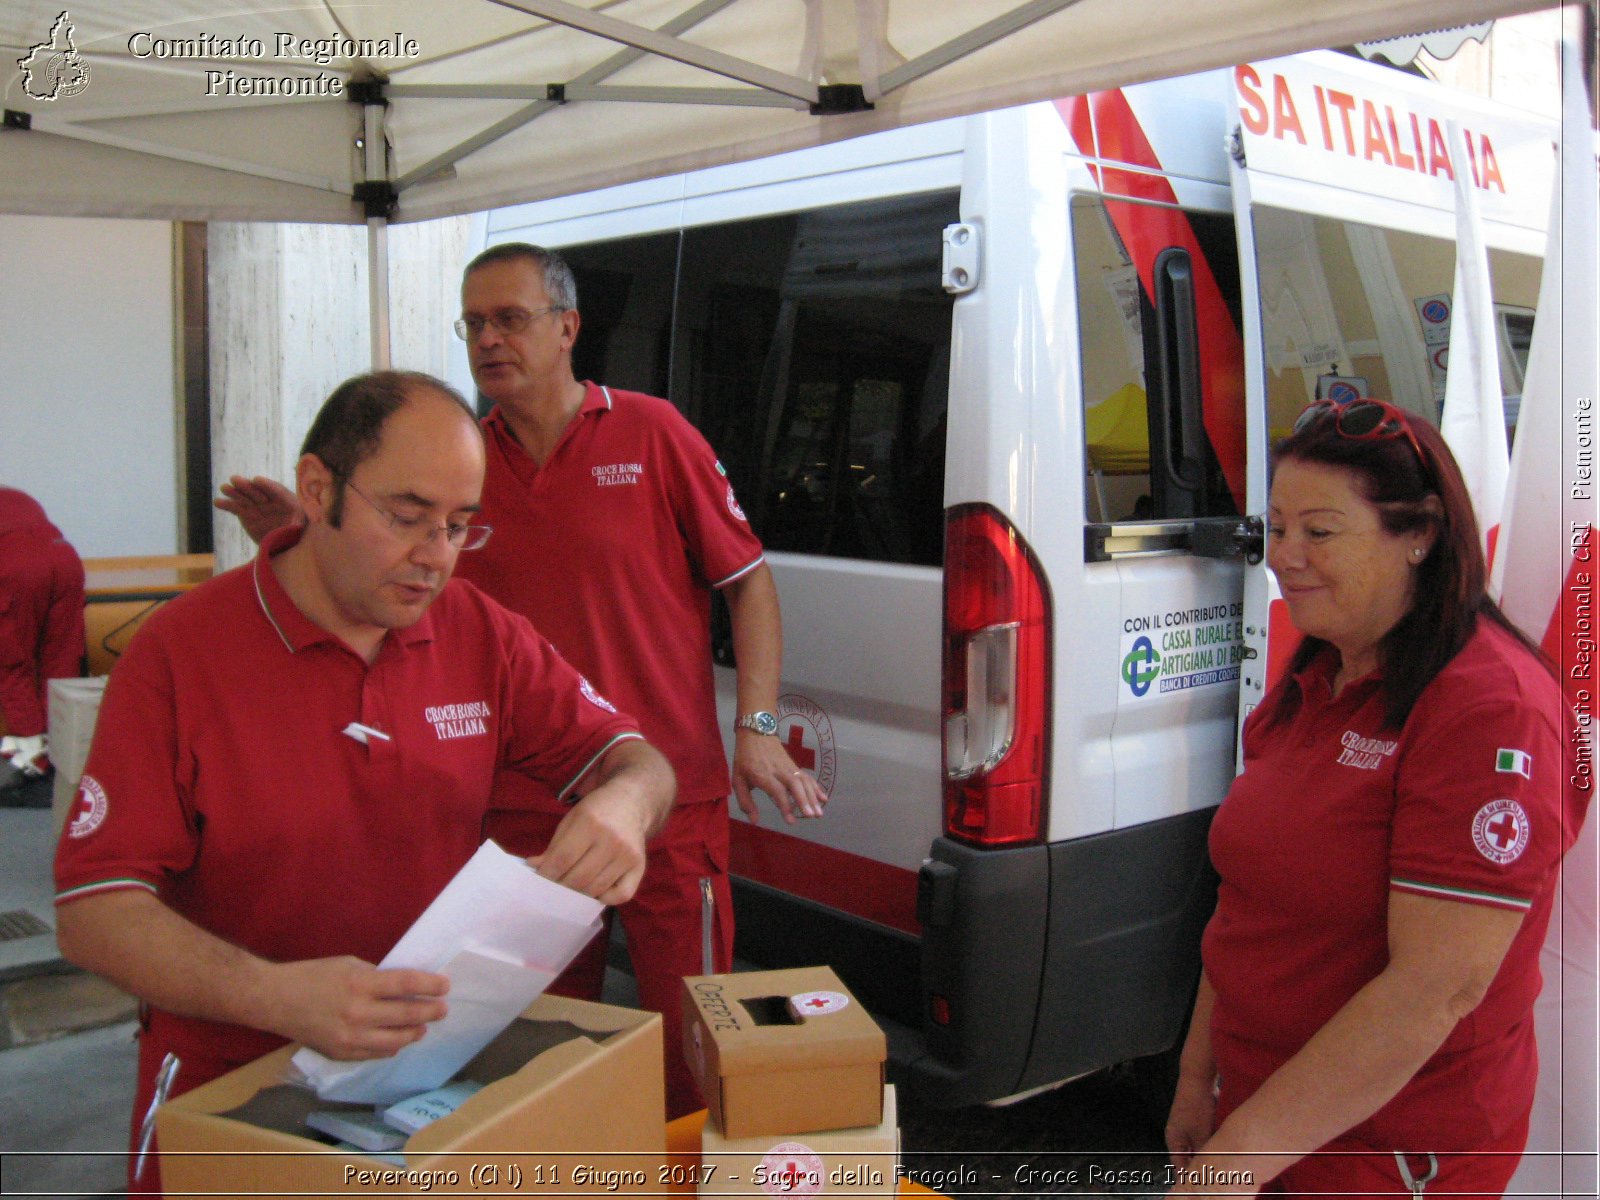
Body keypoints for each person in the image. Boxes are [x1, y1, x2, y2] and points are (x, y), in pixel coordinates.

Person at [218, 243, 827, 1117]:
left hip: (666, 798)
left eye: (510, 318)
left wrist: (758, 729)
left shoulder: (652, 435)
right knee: (533, 1041)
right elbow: (399, 606)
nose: (488, 340)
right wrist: (315, 543)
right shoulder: (457, 466)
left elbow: (749, 579)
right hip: (518, 810)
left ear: (568, 327)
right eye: (473, 323)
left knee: (695, 1035)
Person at [56, 371, 675, 1194]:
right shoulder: (180, 654)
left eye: (460, 527)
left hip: (422, 1080)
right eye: (407, 517)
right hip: (234, 1088)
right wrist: (277, 995)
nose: (435, 557)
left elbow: (638, 757)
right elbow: (94, 910)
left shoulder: (479, 632)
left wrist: (625, 804)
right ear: (317, 489)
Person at [1164, 398, 1584, 1198]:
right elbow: (1247, 899)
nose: (1286, 555)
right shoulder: (1317, 674)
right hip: (1269, 1115)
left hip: (1388, 1152)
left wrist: (1235, 1159)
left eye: (1319, 532)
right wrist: (1198, 1076)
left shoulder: (1490, 708)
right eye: (1277, 528)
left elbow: (1437, 987)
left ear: (1419, 535)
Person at [0, 485, 86, 797]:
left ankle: (33, 768)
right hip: (64, 556)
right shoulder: (13, 496)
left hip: (14, 565)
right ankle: (68, 762)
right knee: (61, 662)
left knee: (11, 667)